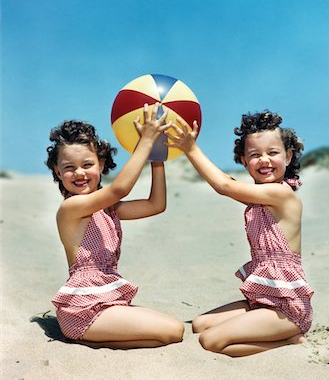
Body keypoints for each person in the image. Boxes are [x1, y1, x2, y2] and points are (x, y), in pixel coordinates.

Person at [165, 110, 314, 357]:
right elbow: (225, 179)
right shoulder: (257, 195)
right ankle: (268, 326)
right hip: (263, 300)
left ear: (288, 156)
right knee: (200, 325)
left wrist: (191, 148)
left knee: (211, 341)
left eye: (273, 153)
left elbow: (224, 186)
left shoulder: (282, 194)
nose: (264, 160)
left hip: (287, 306)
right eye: (255, 155)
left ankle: (289, 340)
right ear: (244, 161)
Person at [46, 103, 184, 348]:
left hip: (105, 300)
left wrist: (156, 157)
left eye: (87, 165)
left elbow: (156, 204)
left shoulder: (108, 209)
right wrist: (145, 141)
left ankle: (96, 339)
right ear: (57, 171)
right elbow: (120, 188)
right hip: (83, 310)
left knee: (174, 329)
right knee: (173, 330)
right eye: (69, 167)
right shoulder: (70, 209)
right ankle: (91, 341)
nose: (79, 173)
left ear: (101, 165)